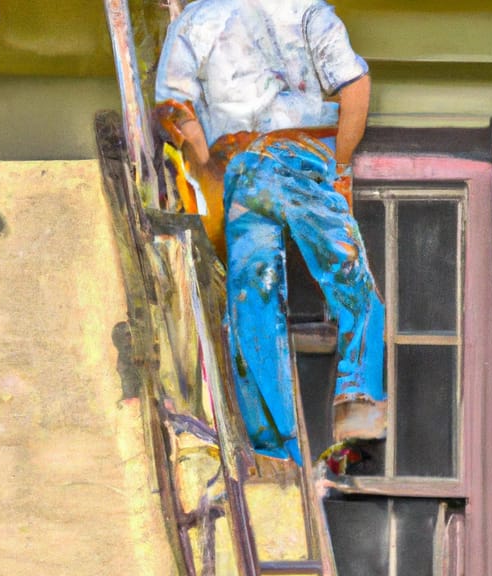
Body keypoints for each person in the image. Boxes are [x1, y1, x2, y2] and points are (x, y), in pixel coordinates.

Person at [154, 0, 385, 466]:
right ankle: (357, 412)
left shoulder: (196, 19)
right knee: (354, 288)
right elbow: (356, 87)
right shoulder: (307, 10)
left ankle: (276, 451)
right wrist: (340, 168)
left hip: (241, 171)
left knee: (254, 308)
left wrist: (205, 168)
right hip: (299, 156)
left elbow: (176, 112)